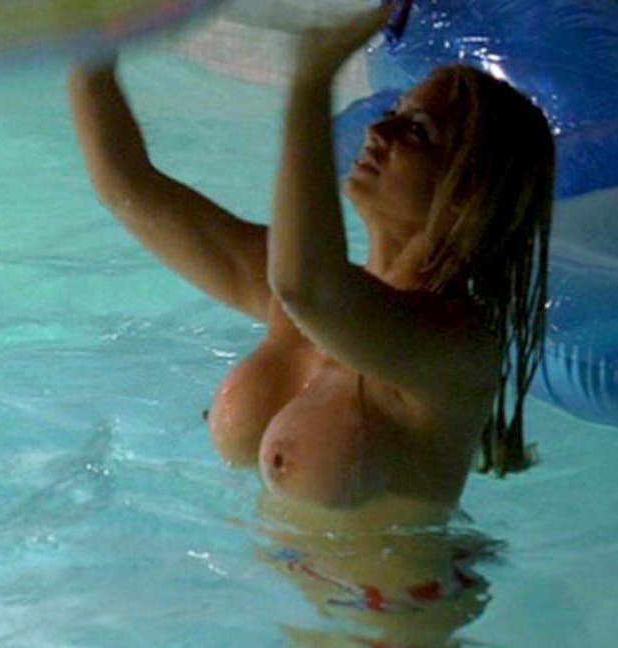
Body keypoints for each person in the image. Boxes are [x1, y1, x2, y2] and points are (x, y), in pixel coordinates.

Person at [69, 0, 552, 527]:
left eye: (417, 131)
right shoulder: (296, 298)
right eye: (391, 115)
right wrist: (89, 42)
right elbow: (127, 185)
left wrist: (311, 81)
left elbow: (308, 288)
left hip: (391, 581)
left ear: (468, 194)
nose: (378, 133)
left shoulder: (456, 346)